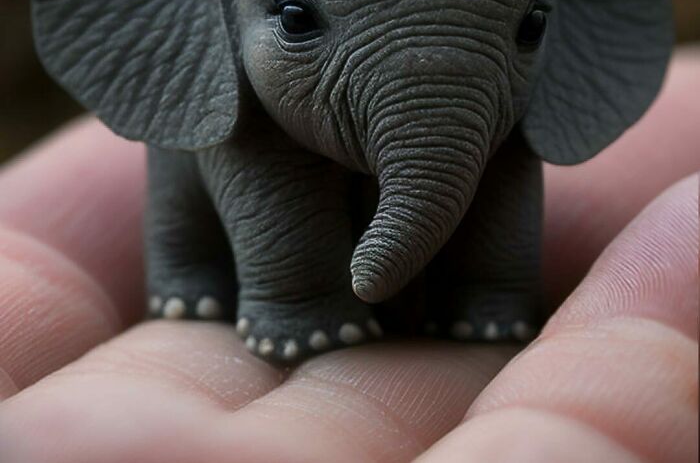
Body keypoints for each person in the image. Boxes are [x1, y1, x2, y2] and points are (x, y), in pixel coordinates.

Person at [0, 50, 697, 462]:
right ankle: (248, 282)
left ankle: (479, 293)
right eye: (296, 12)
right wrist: (300, 288)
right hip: (270, 103)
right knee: (217, 151)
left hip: (485, 106)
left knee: (500, 160)